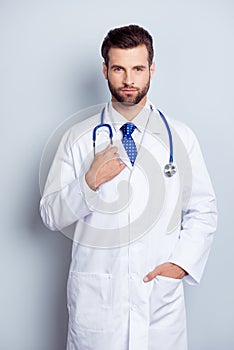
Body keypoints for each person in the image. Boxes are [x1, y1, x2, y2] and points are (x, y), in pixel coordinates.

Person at [40, 24, 217, 350]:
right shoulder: (78, 138)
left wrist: (180, 265)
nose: (128, 79)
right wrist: (89, 183)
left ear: (151, 68)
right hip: (98, 301)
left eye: (137, 68)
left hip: (158, 302)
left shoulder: (181, 137)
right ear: (105, 70)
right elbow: (50, 215)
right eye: (119, 68)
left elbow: (202, 210)